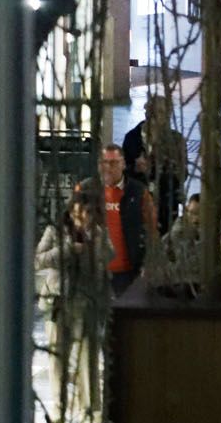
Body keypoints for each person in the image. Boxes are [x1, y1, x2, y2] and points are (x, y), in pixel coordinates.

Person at [74, 143, 154, 292]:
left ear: (123, 164)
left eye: (113, 163)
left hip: (127, 272)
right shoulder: (84, 190)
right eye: (104, 162)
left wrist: (147, 263)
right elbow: (72, 225)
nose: (108, 167)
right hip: (92, 271)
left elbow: (151, 228)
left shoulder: (138, 192)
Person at [122, 94, 187, 230]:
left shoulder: (176, 141)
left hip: (165, 205)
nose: (160, 117)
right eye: (156, 112)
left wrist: (164, 168)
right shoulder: (132, 138)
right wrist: (135, 168)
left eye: (164, 113)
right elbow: (123, 173)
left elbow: (183, 174)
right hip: (138, 203)